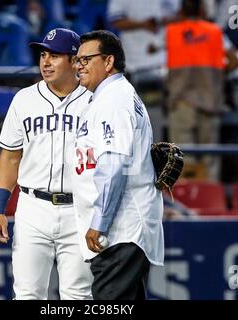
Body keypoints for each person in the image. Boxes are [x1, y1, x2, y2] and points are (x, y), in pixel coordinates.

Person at [0, 28, 93, 300]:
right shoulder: (24, 100)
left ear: (74, 61)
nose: (45, 62)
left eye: (55, 56)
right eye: (43, 55)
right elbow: (11, 156)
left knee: (78, 295)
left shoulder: (95, 100)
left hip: (80, 209)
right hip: (33, 208)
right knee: (26, 294)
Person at [72, 30, 165, 300]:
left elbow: (115, 164)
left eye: (86, 59)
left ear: (109, 61)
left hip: (121, 227)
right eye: (77, 61)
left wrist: (99, 222)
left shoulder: (114, 99)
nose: (80, 66)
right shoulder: (113, 96)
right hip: (124, 225)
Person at [166, 0, 238, 181]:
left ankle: (188, 201)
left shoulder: (171, 32)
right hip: (210, 102)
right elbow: (235, 61)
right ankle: (210, 200)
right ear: (202, 10)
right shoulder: (216, 32)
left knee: (183, 158)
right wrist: (217, 76)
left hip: (182, 103)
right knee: (210, 158)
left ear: (181, 12)